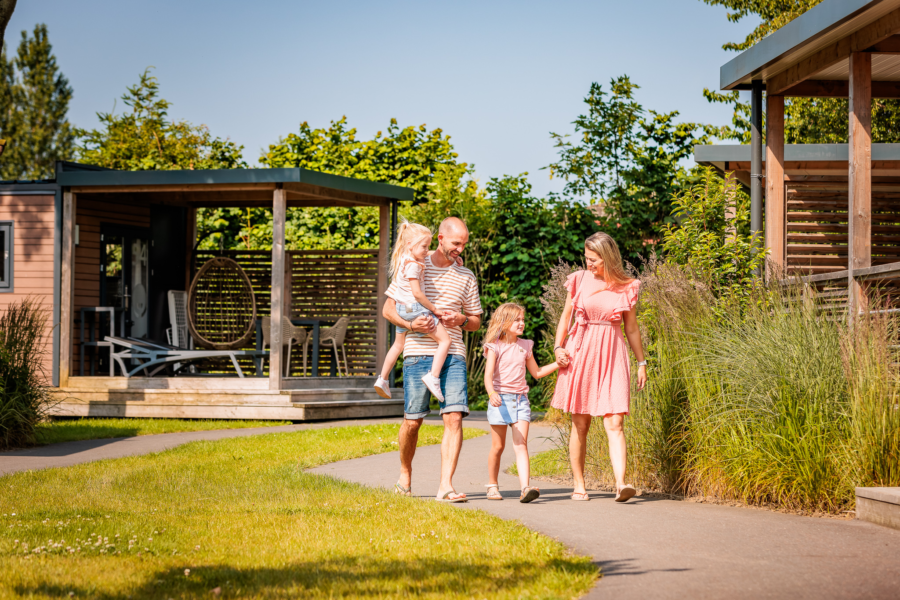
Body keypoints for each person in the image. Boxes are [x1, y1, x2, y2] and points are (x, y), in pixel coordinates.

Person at [382, 217, 482, 502]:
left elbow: (475, 321)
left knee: (454, 417)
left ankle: (445, 486)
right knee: (413, 422)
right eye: (456, 243)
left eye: (464, 244)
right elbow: (388, 310)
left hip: (453, 353)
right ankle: (405, 475)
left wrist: (461, 319)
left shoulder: (467, 276)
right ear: (440, 238)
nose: (460, 249)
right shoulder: (415, 263)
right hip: (416, 352)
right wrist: (410, 325)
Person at [551, 232, 648, 502]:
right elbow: (566, 317)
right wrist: (558, 347)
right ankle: (579, 484)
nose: (589, 263)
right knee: (580, 422)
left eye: (594, 259)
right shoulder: (579, 279)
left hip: (613, 353)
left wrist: (641, 362)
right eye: (587, 258)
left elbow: (631, 328)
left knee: (615, 421)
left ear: (608, 257)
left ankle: (621, 484)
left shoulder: (627, 286)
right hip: (581, 350)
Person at [482, 303, 558, 503]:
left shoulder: (525, 346)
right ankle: (492, 485)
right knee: (498, 447)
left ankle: (525, 488)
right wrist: (491, 393)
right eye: (517, 320)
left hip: (520, 401)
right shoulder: (494, 346)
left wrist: (557, 364)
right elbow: (488, 376)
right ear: (504, 322)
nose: (522, 323)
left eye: (523, 319)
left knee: (521, 444)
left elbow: (537, 372)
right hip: (499, 401)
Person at [374, 219, 452, 403]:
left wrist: (449, 257)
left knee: (397, 345)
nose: (427, 251)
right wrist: (434, 309)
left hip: (402, 309)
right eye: (424, 247)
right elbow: (417, 293)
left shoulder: (403, 256)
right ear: (410, 244)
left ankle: (382, 378)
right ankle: (433, 377)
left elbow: (422, 252)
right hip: (415, 309)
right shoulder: (414, 265)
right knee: (445, 341)